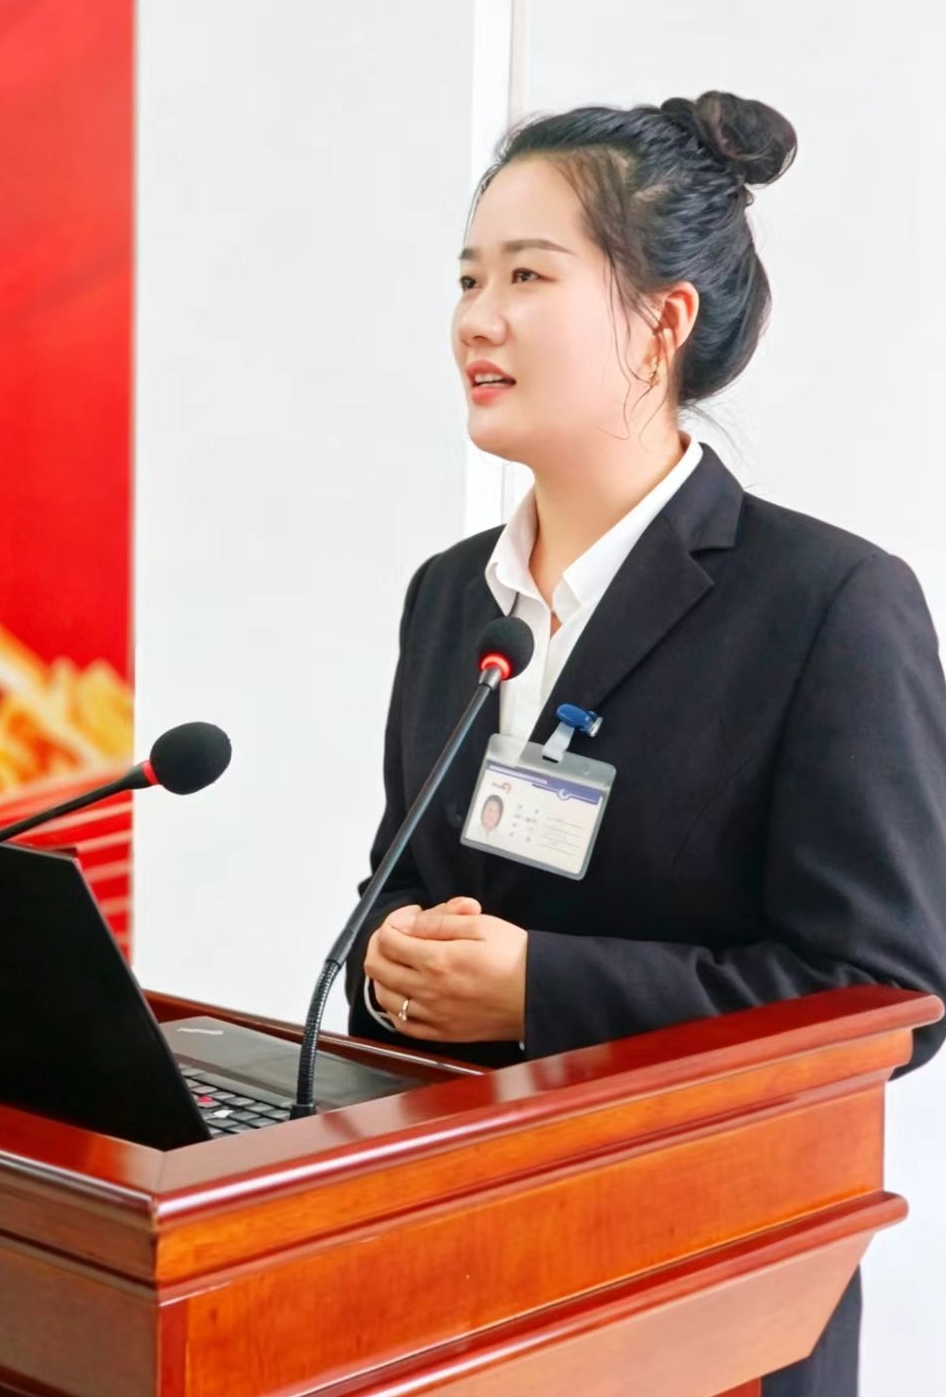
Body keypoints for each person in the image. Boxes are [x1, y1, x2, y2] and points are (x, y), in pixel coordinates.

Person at [344, 91, 946, 1397]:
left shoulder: (827, 602)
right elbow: (403, 888)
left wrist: (541, 989)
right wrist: (391, 962)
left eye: (526, 276)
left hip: (704, 1296)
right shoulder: (451, 597)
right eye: (467, 278)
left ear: (661, 322)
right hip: (458, 1272)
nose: (476, 319)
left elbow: (883, 997)